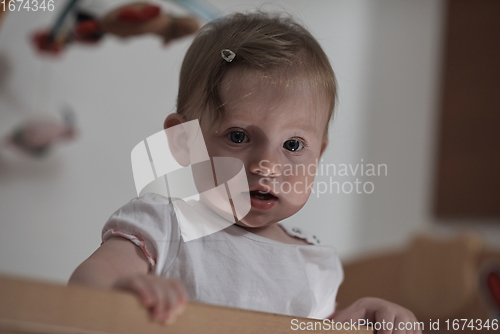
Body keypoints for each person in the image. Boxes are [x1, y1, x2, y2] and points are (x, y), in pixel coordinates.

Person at [69, 11, 421, 333]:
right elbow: (88, 281)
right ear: (183, 142)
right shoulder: (167, 223)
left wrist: (352, 320)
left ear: (319, 155)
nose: (266, 165)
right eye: (238, 136)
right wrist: (119, 293)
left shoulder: (312, 261)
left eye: (293, 145)